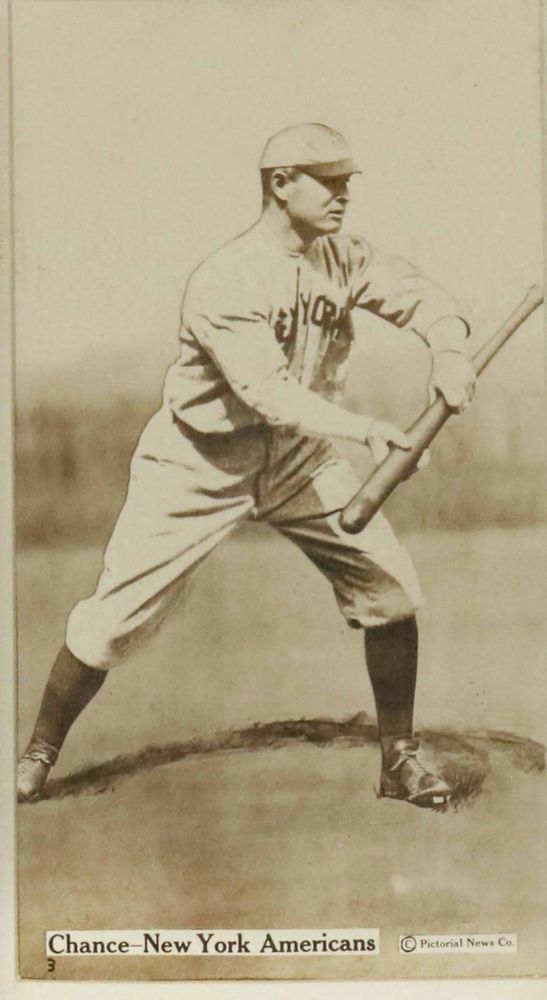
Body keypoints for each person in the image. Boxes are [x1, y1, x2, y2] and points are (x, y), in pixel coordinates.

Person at [17, 123, 476, 808]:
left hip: (297, 458)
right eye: (328, 181)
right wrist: (367, 432)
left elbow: (422, 299)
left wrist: (449, 350)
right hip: (199, 460)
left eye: (347, 181)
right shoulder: (225, 278)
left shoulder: (342, 257)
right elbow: (269, 393)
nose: (344, 193)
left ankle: (398, 759)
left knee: (390, 590)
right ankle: (39, 751)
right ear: (280, 184)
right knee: (112, 620)